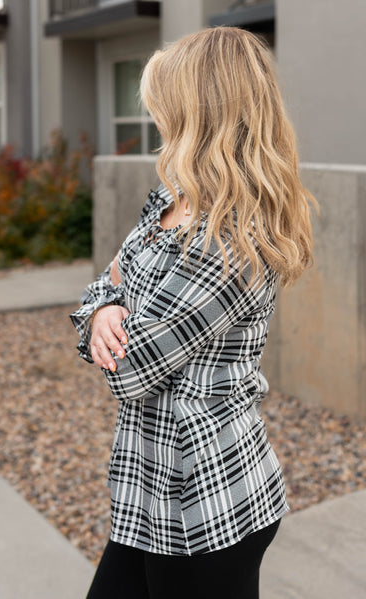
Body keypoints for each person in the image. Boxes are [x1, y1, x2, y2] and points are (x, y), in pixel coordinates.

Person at [70, 26, 318, 599]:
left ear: (197, 113)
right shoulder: (171, 199)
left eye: (164, 105)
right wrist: (104, 303)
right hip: (148, 491)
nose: (156, 117)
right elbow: (96, 301)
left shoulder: (231, 240)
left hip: (206, 507)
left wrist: (111, 295)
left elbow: (132, 370)